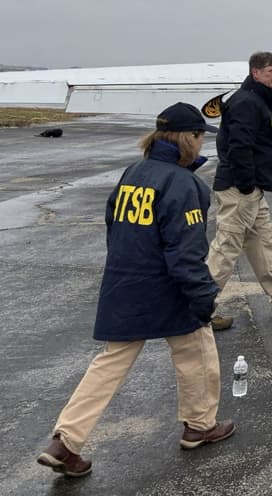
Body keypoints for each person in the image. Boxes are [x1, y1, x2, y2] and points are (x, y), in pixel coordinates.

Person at [36, 103, 234, 478]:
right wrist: (203, 296)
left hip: (125, 281)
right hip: (167, 287)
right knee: (197, 347)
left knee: (110, 363)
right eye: (200, 135)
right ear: (188, 139)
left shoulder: (133, 172)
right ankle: (200, 424)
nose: (202, 141)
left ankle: (65, 441)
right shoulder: (184, 184)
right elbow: (186, 252)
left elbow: (113, 224)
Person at [206, 52, 272, 330]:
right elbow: (238, 146)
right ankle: (198, 309)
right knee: (226, 248)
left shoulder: (256, 99)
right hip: (240, 189)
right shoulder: (246, 103)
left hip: (252, 189)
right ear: (256, 73)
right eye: (271, 72)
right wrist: (245, 184)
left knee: (263, 242)